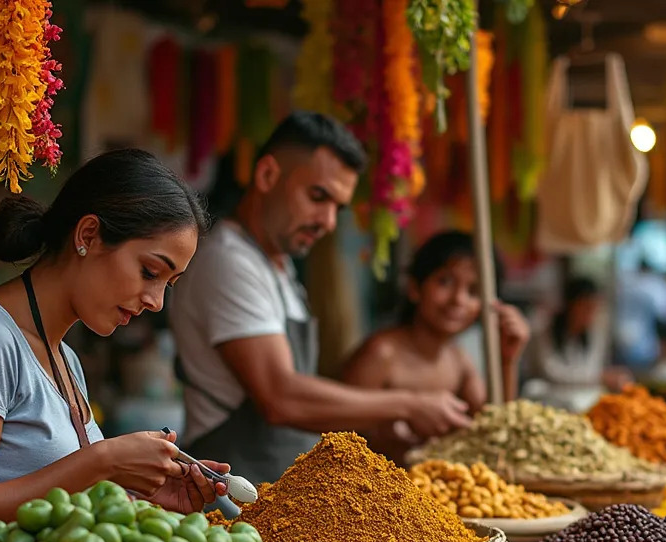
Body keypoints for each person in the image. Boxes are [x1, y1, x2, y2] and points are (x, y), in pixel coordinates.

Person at [0, 149, 227, 536]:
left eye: (167, 285)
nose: (155, 301)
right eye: (149, 271)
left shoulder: (65, 359)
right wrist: (103, 461)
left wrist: (140, 495)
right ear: (88, 235)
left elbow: (48, 501)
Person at [168, 112, 471, 484]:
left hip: (271, 486)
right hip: (227, 489)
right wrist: (408, 404)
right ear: (267, 176)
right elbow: (280, 397)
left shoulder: (278, 267)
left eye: (337, 208)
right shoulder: (230, 261)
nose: (328, 222)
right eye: (317, 197)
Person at [339, 231, 529, 462]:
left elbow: (493, 427)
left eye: (473, 291)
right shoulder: (382, 354)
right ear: (414, 288)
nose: (458, 299)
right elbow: (337, 429)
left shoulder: (458, 360)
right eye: (445, 282)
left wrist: (508, 360)